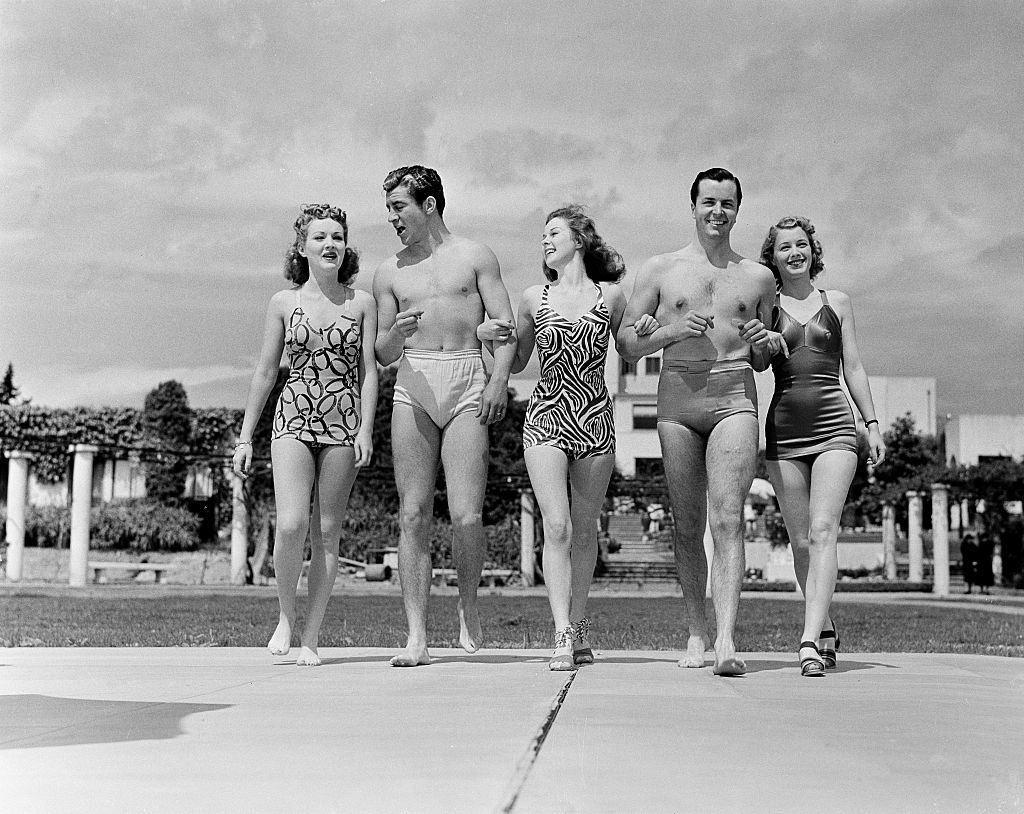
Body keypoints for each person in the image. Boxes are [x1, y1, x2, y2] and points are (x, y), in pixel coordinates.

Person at [618, 168, 776, 675]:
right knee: (687, 523)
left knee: (728, 518)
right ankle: (695, 631)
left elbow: (762, 356)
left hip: (734, 394)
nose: (718, 212)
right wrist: (669, 332)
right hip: (678, 399)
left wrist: (764, 345)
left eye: (727, 204)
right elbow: (626, 344)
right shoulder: (660, 269)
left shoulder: (757, 277)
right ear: (692, 206)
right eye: (709, 202)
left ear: (737, 210)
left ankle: (727, 638)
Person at [479, 205, 643, 670]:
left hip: (596, 421)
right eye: (543, 236)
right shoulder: (533, 297)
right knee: (558, 526)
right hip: (546, 419)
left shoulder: (611, 296)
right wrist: (486, 336)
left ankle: (580, 626)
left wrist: (648, 331)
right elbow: (516, 359)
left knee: (585, 530)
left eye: (554, 233)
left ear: (580, 240)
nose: (545, 242)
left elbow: (629, 349)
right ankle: (560, 635)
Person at [373, 165, 516, 667]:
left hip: (466, 381)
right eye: (388, 208)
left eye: (398, 207)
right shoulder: (389, 272)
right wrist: (395, 334)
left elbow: (506, 326)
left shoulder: (476, 256)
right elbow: (384, 352)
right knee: (412, 513)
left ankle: (468, 606)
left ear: (429, 204)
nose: (391, 217)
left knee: (466, 515)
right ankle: (416, 636)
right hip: (414, 382)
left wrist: (499, 380)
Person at [233, 204, 378, 666]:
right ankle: (285, 616)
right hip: (292, 417)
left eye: (337, 236)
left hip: (343, 423)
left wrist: (366, 429)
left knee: (328, 531)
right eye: (320, 237)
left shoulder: (363, 303)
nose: (330, 244)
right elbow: (264, 372)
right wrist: (244, 437)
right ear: (302, 247)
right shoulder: (283, 303)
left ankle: (312, 637)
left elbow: (369, 372)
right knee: (292, 523)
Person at [759, 215, 885, 676]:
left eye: (801, 245)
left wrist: (870, 422)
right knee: (800, 542)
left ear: (813, 250)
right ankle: (826, 624)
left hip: (836, 426)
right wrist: (766, 342)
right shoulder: (766, 306)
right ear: (771, 258)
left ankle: (808, 640)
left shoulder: (838, 302)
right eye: (784, 247)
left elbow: (853, 365)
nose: (795, 253)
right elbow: (755, 360)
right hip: (784, 429)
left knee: (822, 530)